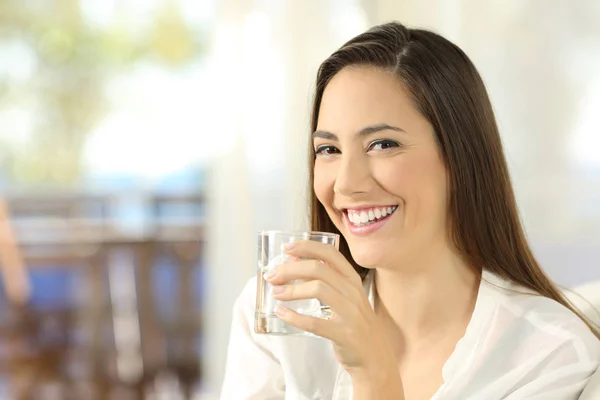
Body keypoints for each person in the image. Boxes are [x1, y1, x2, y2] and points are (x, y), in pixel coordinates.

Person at [220, 21, 600, 399]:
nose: (346, 183)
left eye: (382, 144)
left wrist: (374, 375)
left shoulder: (550, 354)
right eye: (329, 150)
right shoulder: (280, 314)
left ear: (459, 157)